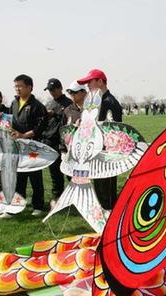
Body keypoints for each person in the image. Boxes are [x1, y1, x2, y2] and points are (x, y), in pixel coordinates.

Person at [0, 74, 47, 219]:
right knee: (18, 177)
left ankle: (38, 206)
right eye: (16, 86)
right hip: (17, 147)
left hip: (32, 147)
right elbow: (11, 120)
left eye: (20, 86)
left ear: (29, 87)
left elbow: (40, 127)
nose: (17, 89)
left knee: (35, 177)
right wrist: (2, 116)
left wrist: (24, 136)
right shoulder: (14, 103)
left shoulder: (37, 106)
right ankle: (16, 206)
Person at [77, 69, 122, 210]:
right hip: (95, 151)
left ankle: (109, 219)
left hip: (106, 154)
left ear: (100, 81)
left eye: (90, 82)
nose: (88, 86)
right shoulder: (96, 102)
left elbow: (114, 131)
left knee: (106, 191)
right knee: (99, 189)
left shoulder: (109, 102)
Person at [43, 78, 72, 208]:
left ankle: (75, 196)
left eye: (54, 90)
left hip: (65, 143)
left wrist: (56, 114)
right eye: (50, 90)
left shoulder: (69, 104)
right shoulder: (48, 103)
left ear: (60, 88)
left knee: (70, 171)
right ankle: (57, 197)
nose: (52, 93)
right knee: (55, 173)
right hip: (50, 142)